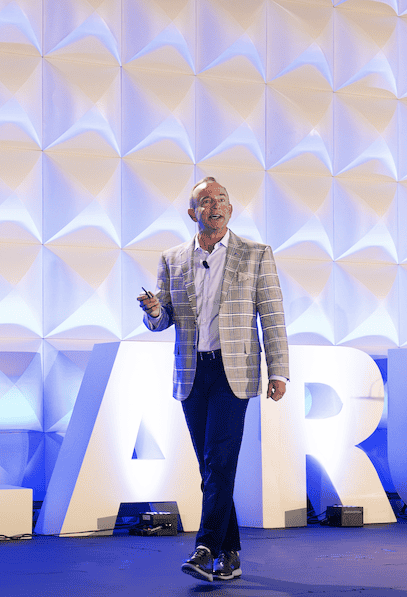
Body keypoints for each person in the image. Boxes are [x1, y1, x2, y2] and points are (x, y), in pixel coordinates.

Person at [136, 176, 289, 583]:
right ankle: (232, 553)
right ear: (193, 213)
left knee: (220, 460)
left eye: (222, 198)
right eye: (206, 201)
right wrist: (153, 310)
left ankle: (205, 549)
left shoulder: (256, 254)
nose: (215, 205)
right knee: (211, 469)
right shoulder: (172, 259)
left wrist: (279, 370)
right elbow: (163, 320)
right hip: (192, 372)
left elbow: (272, 315)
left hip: (232, 371)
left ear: (231, 209)